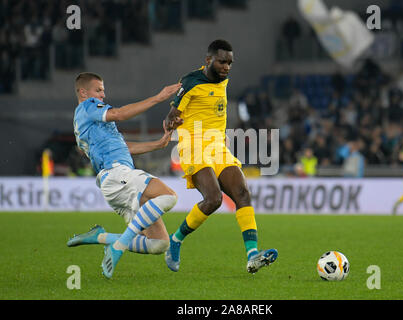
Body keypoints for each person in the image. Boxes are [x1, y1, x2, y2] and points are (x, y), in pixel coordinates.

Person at [164, 39, 278, 274]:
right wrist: (172, 122)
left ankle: (252, 255)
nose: (226, 67)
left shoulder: (223, 81)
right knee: (214, 199)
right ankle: (175, 240)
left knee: (243, 193)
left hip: (218, 147)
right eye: (222, 61)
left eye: (230, 63)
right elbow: (170, 117)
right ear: (208, 60)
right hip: (194, 147)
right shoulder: (191, 82)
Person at [67, 72, 181, 279]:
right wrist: (159, 97)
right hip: (117, 174)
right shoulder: (87, 106)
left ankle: (101, 237)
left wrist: (158, 144)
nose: (103, 94)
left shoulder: (90, 120)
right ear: (83, 92)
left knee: (160, 244)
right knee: (170, 196)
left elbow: (123, 147)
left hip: (114, 182)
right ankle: (119, 246)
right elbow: (119, 114)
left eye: (103, 90)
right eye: (98, 89)